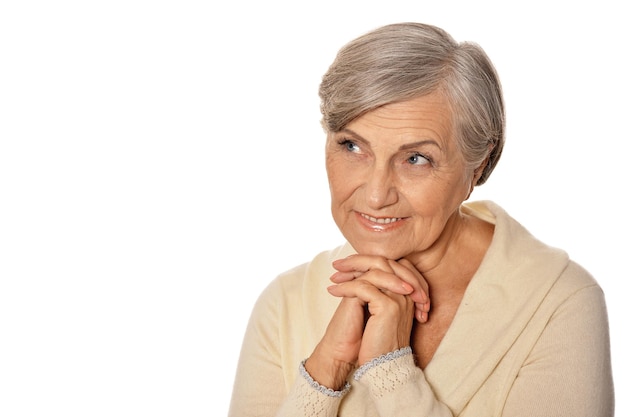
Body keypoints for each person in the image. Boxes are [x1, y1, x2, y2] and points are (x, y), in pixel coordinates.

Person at [227, 22, 614, 417]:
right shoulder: (285, 303)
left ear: (477, 166)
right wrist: (325, 372)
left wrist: (390, 373)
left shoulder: (556, 302)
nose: (376, 195)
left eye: (416, 159)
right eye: (352, 145)